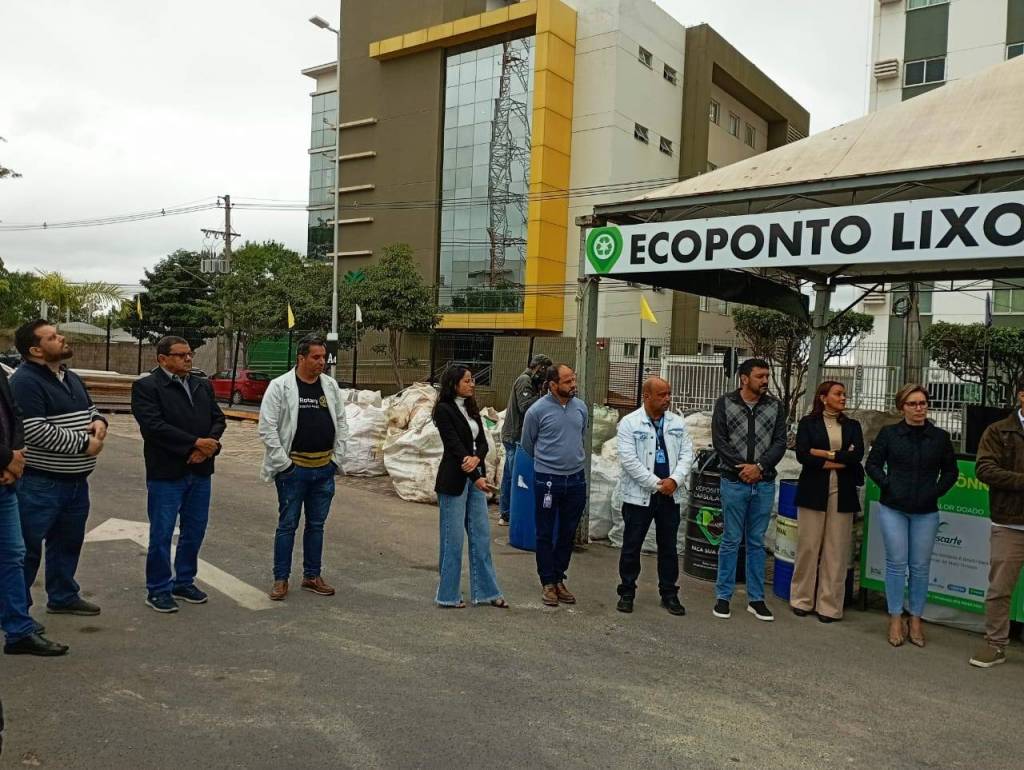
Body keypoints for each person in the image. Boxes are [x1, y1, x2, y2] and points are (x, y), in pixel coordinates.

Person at [10, 320, 106, 619]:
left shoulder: (69, 376)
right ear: (36, 350)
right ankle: (16, 612)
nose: (62, 338)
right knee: (27, 549)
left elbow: (90, 409)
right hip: (41, 484)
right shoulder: (25, 382)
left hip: (76, 482)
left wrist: (99, 421)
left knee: (67, 543)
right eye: (52, 337)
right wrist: (84, 444)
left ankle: (63, 596)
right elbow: (33, 430)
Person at [131, 336, 226, 613]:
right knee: (162, 534)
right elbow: (153, 427)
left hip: (200, 470)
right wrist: (194, 444)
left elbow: (218, 419)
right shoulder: (147, 387)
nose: (188, 358)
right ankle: (158, 589)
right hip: (167, 473)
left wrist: (208, 447)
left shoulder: (201, 384)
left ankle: (184, 581)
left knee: (194, 530)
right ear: (162, 359)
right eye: (181, 355)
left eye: (189, 354)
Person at [866, 383, 958, 648]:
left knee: (919, 567)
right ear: (902, 407)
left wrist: (934, 492)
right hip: (893, 508)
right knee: (896, 563)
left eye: (923, 403)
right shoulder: (889, 434)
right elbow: (872, 464)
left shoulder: (939, 437)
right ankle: (896, 617)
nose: (919, 408)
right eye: (913, 404)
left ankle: (916, 618)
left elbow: (950, 472)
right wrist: (888, 485)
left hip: (926, 511)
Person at [258, 336, 349, 601]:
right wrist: (285, 465)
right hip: (293, 471)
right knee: (287, 525)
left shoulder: (330, 386)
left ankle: (312, 575)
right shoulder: (280, 386)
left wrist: (336, 460)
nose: (322, 362)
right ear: (301, 358)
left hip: (324, 470)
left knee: (316, 525)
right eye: (316, 357)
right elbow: (267, 428)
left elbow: (342, 423)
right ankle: (281, 578)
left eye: (323, 357)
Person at [711, 358, 787, 622]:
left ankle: (756, 599)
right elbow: (720, 441)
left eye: (767, 376)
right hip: (734, 482)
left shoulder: (775, 406)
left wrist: (760, 467)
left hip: (763, 483)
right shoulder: (725, 403)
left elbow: (780, 442)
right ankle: (723, 596)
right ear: (744, 378)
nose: (765, 380)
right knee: (731, 540)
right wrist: (743, 468)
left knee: (756, 542)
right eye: (760, 376)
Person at [1, 362, 68, 656]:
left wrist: (14, 458)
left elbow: (15, 416)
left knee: (13, 555)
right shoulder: (26, 378)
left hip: (6, 480)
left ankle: (18, 630)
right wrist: (6, 459)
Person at [615, 376, 693, 615]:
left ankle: (669, 593)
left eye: (669, 394)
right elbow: (629, 460)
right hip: (640, 495)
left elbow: (687, 455)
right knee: (632, 545)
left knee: (668, 546)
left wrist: (674, 480)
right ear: (647, 396)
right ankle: (627, 592)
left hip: (670, 495)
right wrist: (657, 484)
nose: (667, 399)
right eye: (662, 395)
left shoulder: (678, 423)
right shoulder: (629, 423)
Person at [431, 365, 506, 608]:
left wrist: (477, 460)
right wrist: (474, 473)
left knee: (481, 536)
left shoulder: (472, 408)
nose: (472, 384)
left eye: (472, 380)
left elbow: (482, 441)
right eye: (466, 381)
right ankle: (448, 595)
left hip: (475, 476)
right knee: (452, 540)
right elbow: (454, 445)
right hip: (454, 478)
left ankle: (487, 592)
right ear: (453, 384)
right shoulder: (443, 410)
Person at [791, 380, 864, 623]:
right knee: (808, 546)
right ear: (823, 397)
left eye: (844, 394)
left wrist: (822, 453)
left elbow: (856, 456)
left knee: (837, 550)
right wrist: (840, 459)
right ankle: (801, 599)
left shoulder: (852, 426)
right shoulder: (808, 423)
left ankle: (829, 606)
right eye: (838, 394)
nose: (843, 398)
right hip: (813, 490)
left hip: (843, 492)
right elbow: (803, 455)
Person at [521, 363, 588, 607]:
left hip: (576, 479)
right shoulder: (536, 411)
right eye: (568, 381)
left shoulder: (580, 407)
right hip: (547, 480)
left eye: (574, 380)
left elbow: (581, 435)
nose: (573, 385)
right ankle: (547, 582)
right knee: (545, 532)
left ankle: (559, 577)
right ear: (552, 385)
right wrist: (549, 462)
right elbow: (528, 443)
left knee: (568, 532)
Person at [969, 378, 1024, 668]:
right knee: (1000, 589)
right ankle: (995, 645)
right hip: (1010, 524)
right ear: (1021, 395)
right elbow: (984, 468)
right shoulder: (998, 431)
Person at [498, 353, 551, 526]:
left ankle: (507, 512)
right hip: (514, 436)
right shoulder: (524, 381)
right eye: (544, 370)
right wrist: (543, 396)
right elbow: (526, 407)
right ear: (538, 367)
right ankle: (509, 513)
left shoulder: (531, 382)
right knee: (514, 476)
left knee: (510, 475)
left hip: (517, 436)